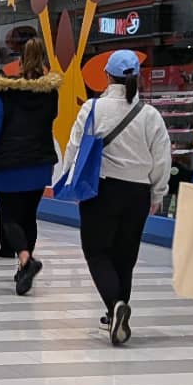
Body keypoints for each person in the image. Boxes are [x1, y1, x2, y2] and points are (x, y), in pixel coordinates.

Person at [64, 50, 171, 345]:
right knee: (126, 256)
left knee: (97, 252)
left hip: (101, 190)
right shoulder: (149, 115)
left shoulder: (92, 108)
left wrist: (73, 185)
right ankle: (116, 316)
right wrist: (157, 192)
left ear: (107, 76)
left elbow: (74, 149)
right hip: (137, 193)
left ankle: (115, 306)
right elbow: (162, 158)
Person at [0, 39, 62, 295]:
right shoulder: (51, 92)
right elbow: (52, 118)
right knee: (29, 216)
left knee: (9, 217)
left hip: (9, 162)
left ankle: (26, 259)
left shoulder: (6, 93)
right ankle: (23, 269)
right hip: (40, 162)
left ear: (19, 60)